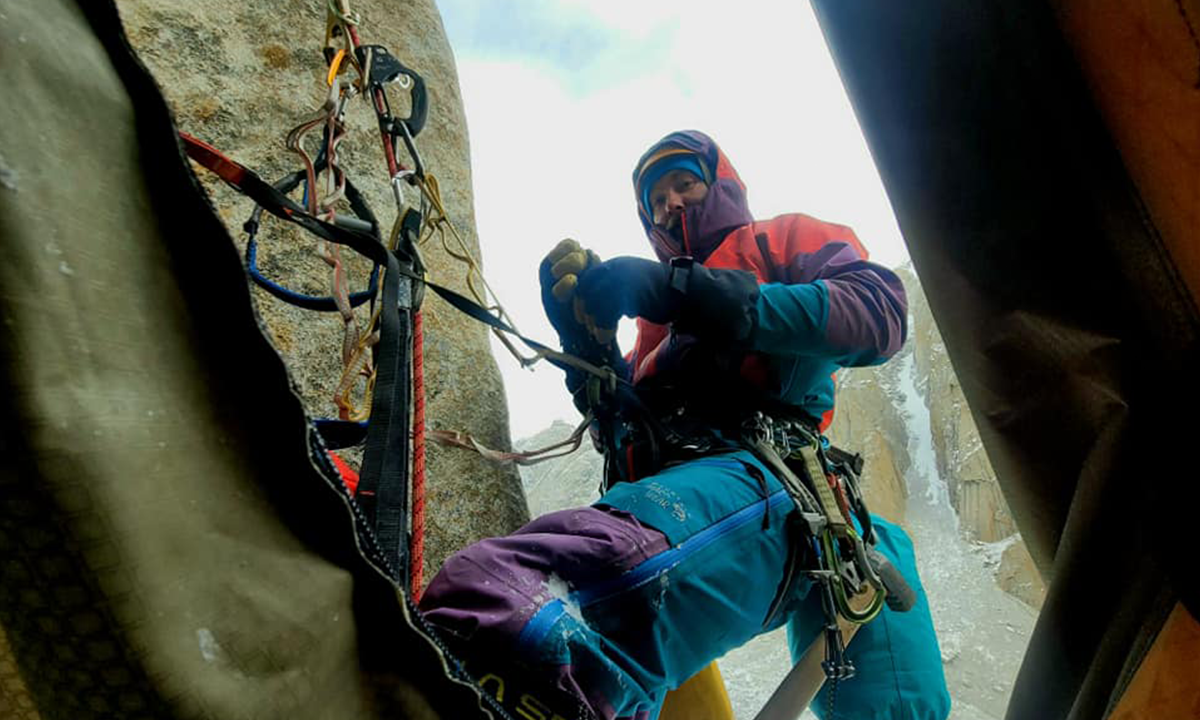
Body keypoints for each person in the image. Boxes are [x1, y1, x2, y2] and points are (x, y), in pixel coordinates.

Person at [420, 130, 950, 720]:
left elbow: (878, 312)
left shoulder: (780, 240)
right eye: (655, 197)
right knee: (522, 610)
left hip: (765, 482)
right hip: (701, 503)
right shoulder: (653, 332)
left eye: (684, 183)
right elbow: (625, 437)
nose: (670, 202)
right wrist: (587, 351)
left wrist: (685, 293)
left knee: (515, 604)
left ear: (719, 185)